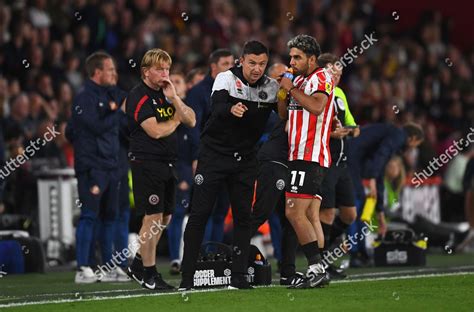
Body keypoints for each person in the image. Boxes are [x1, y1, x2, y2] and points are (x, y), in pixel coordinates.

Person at [180, 41, 279, 290]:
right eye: (252, 63)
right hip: (214, 155)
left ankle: (238, 278)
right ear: (242, 61)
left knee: (243, 218)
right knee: (200, 215)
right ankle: (187, 278)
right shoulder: (225, 78)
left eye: (262, 64)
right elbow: (217, 106)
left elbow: (283, 116)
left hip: (245, 159)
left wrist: (287, 89)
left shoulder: (271, 86)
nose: (257, 69)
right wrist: (231, 108)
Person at [125, 49, 196, 290]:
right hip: (147, 163)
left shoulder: (166, 94)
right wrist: (176, 119)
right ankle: (149, 274)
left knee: (165, 217)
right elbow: (155, 131)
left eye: (167, 68)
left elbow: (192, 119)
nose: (165, 73)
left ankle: (137, 263)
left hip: (168, 163)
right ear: (146, 72)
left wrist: (175, 99)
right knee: (152, 217)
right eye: (159, 69)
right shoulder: (138, 96)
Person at [278, 34, 335, 289]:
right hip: (298, 154)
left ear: (312, 58)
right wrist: (283, 91)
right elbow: (283, 114)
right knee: (309, 213)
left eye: (297, 57)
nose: (292, 61)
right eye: (291, 56)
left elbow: (316, 107)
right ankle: (319, 269)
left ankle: (315, 268)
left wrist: (291, 89)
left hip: (310, 155)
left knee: (293, 211)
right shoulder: (298, 80)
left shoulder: (322, 77)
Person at [67, 51, 122, 283]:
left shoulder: (110, 95)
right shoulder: (84, 98)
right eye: (110, 69)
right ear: (97, 72)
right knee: (89, 215)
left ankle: (107, 266)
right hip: (92, 167)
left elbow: (73, 131)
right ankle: (83, 267)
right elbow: (94, 128)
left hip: (110, 165)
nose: (114, 74)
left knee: (109, 217)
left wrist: (114, 108)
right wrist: (116, 111)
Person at [346, 122, 424, 267]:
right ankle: (355, 253)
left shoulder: (390, 135)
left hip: (353, 156)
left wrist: (380, 214)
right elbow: (381, 156)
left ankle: (360, 253)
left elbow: (380, 170)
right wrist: (372, 179)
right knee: (355, 203)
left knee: (359, 203)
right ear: (412, 138)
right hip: (350, 157)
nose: (413, 149)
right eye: (415, 145)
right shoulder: (398, 136)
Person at [317, 53, 360, 280]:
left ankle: (325, 252)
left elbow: (353, 125)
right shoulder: (317, 93)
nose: (338, 76)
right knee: (326, 213)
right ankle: (321, 264)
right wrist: (332, 133)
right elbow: (311, 127)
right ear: (323, 71)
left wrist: (350, 130)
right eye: (334, 71)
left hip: (342, 163)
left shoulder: (340, 94)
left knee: (350, 214)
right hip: (326, 161)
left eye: (340, 73)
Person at [186, 49, 235, 245]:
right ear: (213, 67)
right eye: (225, 64)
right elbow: (192, 127)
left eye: (232, 63)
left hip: (229, 158)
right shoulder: (198, 92)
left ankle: (216, 254)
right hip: (208, 158)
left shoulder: (237, 89)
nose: (231, 68)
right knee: (205, 210)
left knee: (222, 210)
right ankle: (201, 256)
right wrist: (197, 157)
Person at [167, 72, 199, 275]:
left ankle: (197, 256)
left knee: (200, 215)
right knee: (177, 214)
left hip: (196, 167)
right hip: (180, 169)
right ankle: (175, 258)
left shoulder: (191, 108)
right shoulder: (168, 110)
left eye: (177, 81)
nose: (174, 85)